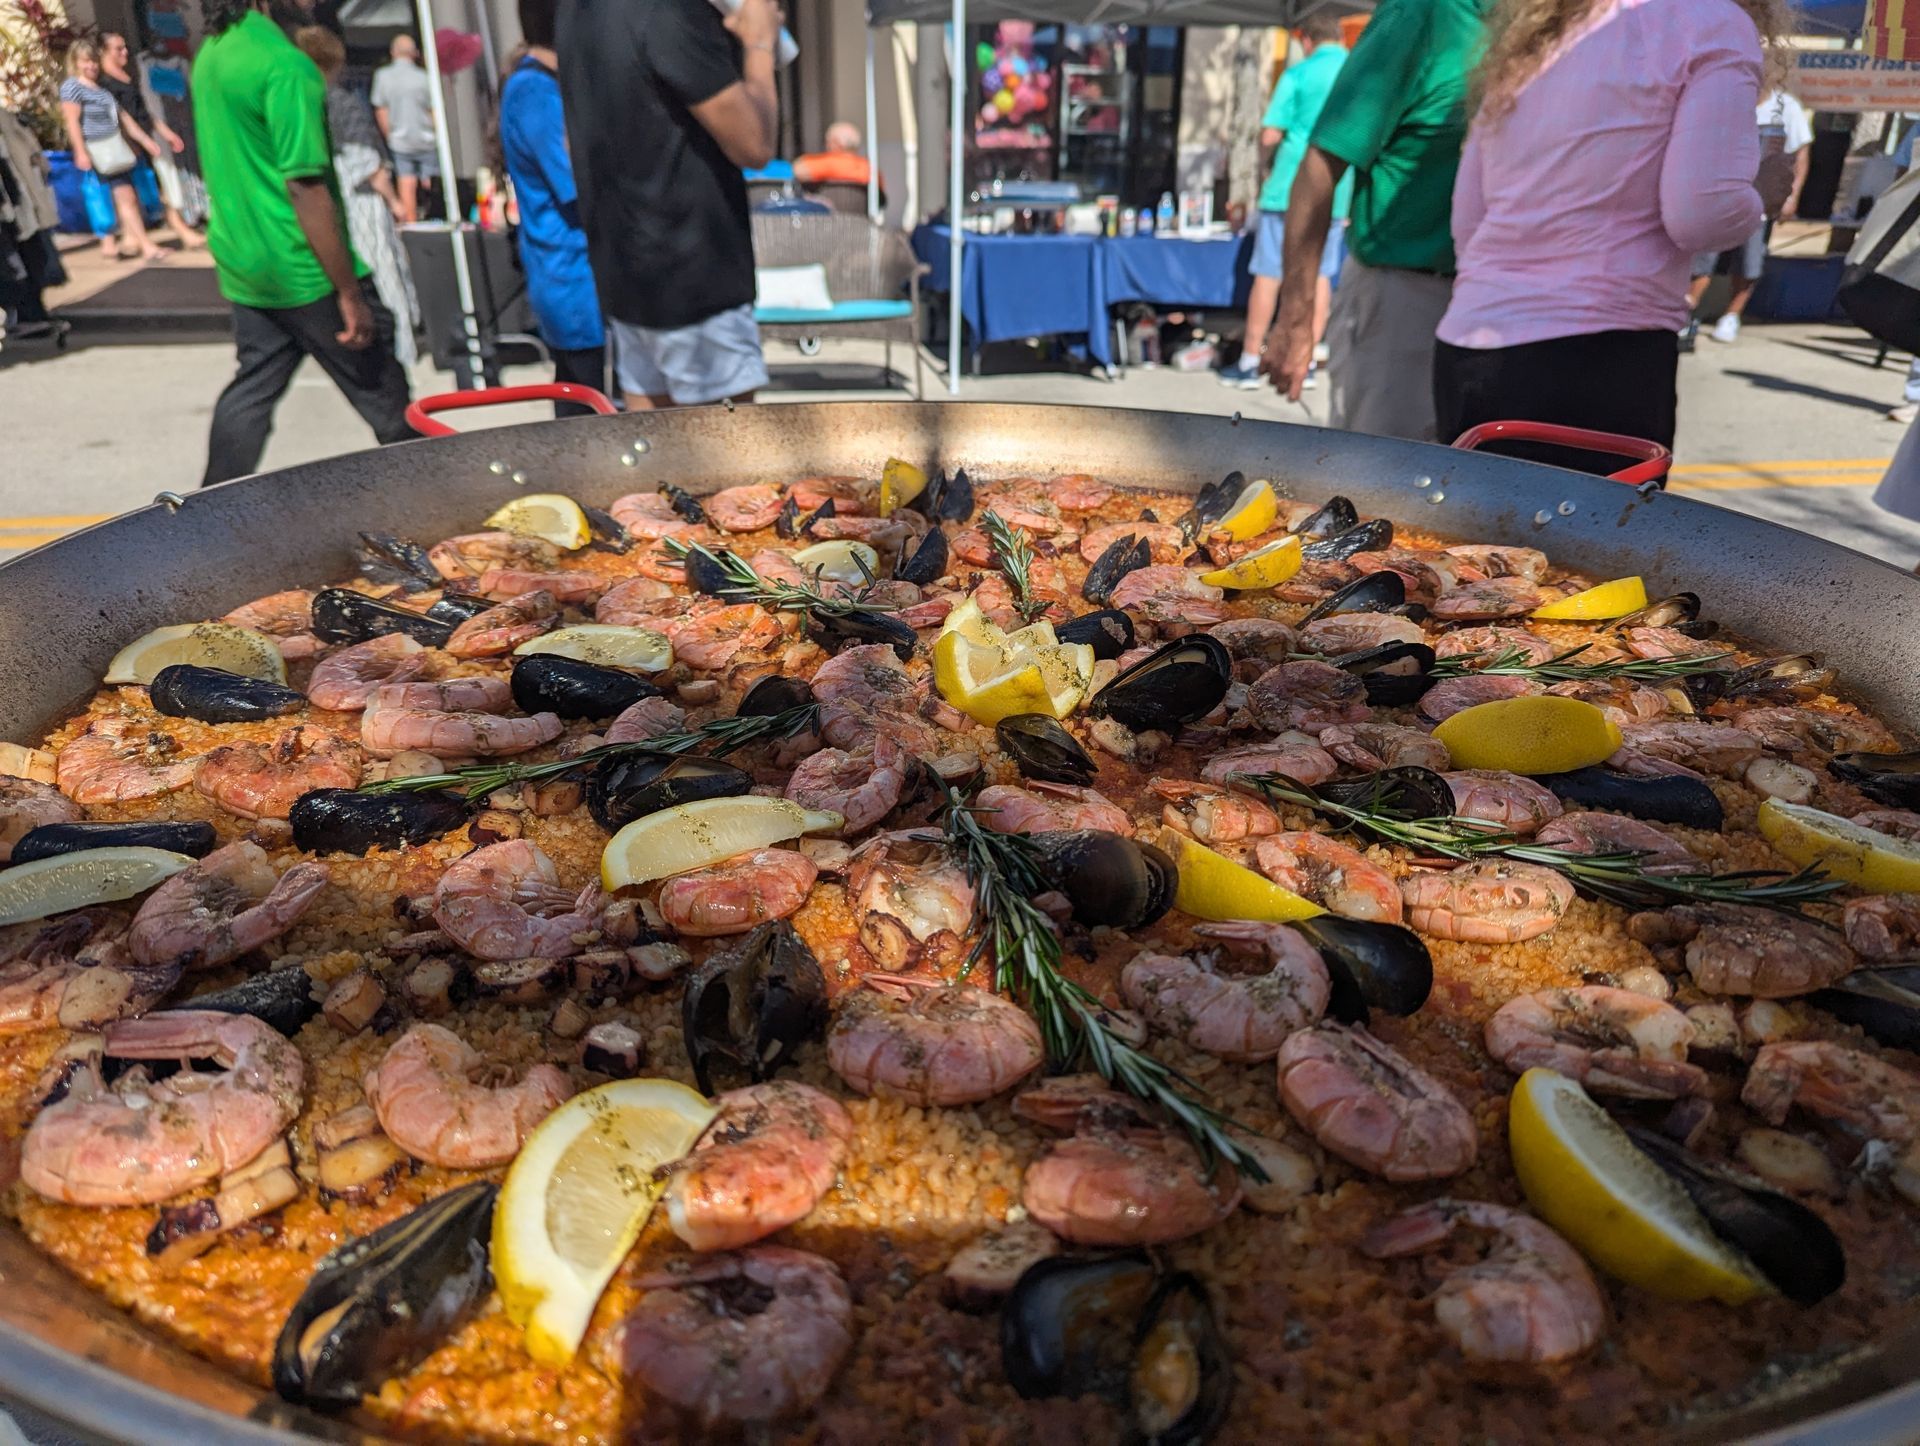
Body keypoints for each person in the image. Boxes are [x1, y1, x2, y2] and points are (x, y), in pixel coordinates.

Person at [1429, 0, 1778, 470]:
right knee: (1590, 542)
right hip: (1600, 352)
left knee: (1469, 540)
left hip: (1469, 346)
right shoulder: (1711, 22)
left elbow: (1470, 220)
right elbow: (1701, 213)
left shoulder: (1543, 34)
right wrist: (1763, 193)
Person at [194, 0, 412, 486]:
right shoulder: (285, 66)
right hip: (306, 267)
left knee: (253, 389)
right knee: (388, 397)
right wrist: (349, 293)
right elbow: (305, 187)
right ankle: (436, 501)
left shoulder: (213, 51)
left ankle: (206, 514)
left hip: (248, 264)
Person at [1262, 0, 1486, 440]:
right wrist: (1295, 317)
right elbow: (1319, 168)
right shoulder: (1423, 13)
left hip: (1516, 313)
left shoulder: (1571, 22)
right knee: (1386, 491)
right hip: (1408, 296)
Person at [557, 0, 777, 409]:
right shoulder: (669, 11)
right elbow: (755, 144)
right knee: (729, 466)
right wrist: (760, 43)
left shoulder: (575, 12)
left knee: (658, 460)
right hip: (693, 278)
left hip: (629, 276)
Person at [1218, 15, 1351, 391]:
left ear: (1306, 39)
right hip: (1336, 191)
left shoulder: (1299, 73)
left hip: (1290, 188)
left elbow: (1271, 132)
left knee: (1270, 273)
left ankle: (1248, 360)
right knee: (1322, 275)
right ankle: (1304, 360)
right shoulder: (1354, 71)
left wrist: (1264, 168)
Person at [498, 0, 606, 415]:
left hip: (577, 276)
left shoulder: (546, 85)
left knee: (580, 406)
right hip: (573, 278)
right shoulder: (536, 91)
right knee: (588, 415)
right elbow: (578, 183)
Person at [294, 25, 420, 367]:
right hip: (362, 203)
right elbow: (371, 167)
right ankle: (398, 351)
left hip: (332, 205)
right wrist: (395, 203)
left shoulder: (300, 102)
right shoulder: (340, 101)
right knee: (383, 276)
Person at [1683, 86, 1811, 347]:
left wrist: (1791, 197)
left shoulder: (1786, 106)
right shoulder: (1725, 97)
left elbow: (1801, 154)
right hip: (1717, 195)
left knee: (1748, 262)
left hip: (1759, 199)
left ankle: (1731, 316)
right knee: (1702, 257)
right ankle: (1684, 313)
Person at [59, 39, 167, 262]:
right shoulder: (72, 87)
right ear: (76, 63)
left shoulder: (101, 89)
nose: (92, 66)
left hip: (116, 146)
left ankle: (134, 241)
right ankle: (146, 246)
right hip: (99, 150)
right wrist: (81, 151)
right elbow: (71, 121)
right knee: (125, 196)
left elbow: (124, 119)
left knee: (128, 197)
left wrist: (146, 142)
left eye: (94, 61)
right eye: (86, 62)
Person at [99, 32, 204, 250]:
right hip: (129, 144)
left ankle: (135, 237)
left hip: (144, 140)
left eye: (125, 47)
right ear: (104, 52)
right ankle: (150, 236)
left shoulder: (126, 76)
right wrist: (142, 141)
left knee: (149, 189)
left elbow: (144, 113)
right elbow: (121, 118)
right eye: (118, 49)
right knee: (133, 193)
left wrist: (165, 133)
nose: (125, 52)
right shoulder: (105, 84)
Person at [371, 34, 437, 223]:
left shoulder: (382, 77)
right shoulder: (424, 77)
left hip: (399, 139)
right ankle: (434, 218)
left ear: (393, 52)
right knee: (430, 181)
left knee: (406, 181)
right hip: (426, 137)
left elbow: (381, 110)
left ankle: (411, 225)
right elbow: (433, 110)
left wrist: (389, 134)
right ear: (414, 53)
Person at [794, 120, 873, 185]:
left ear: (837, 143)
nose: (826, 145)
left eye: (828, 141)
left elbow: (797, 170)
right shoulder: (868, 168)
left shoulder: (831, 163)